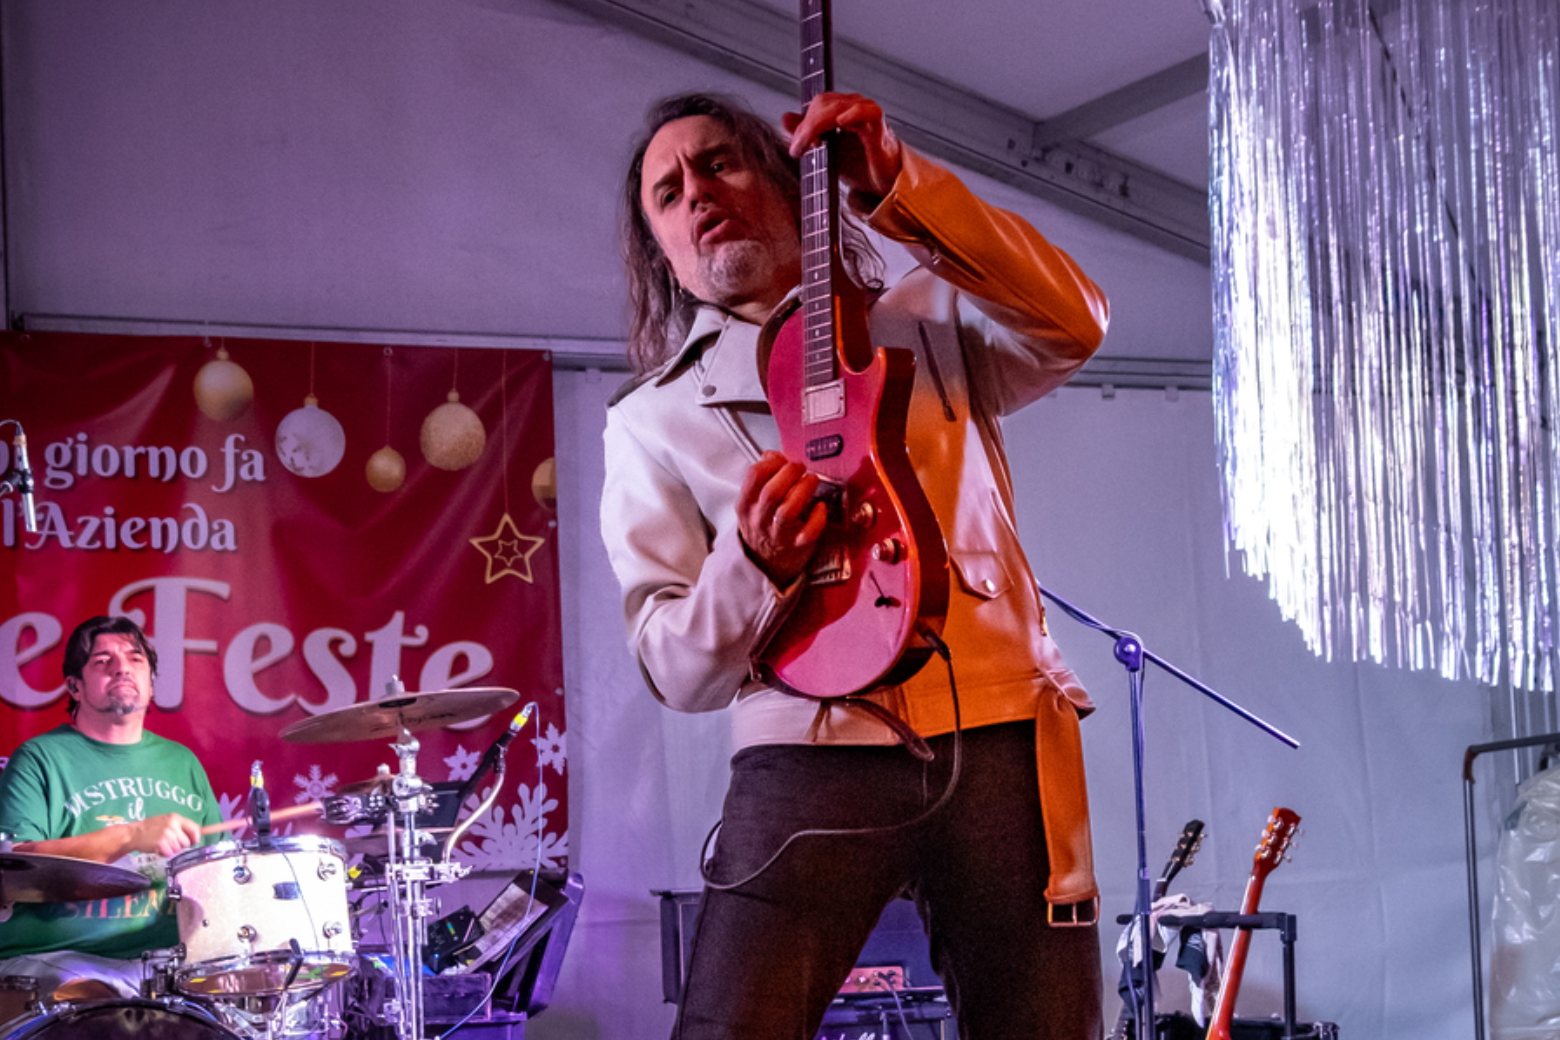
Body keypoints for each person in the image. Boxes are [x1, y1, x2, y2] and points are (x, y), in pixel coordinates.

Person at [601, 90, 1110, 1040]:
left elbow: (1075, 323)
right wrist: (752, 563)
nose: (697, 193)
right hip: (807, 748)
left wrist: (901, 186)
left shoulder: (929, 317)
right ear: (663, 252)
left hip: (997, 726)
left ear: (792, 182)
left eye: (719, 162)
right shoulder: (649, 420)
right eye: (667, 193)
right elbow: (673, 667)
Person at [0, 615, 220, 1001]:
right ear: (75, 686)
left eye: (135, 659)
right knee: (97, 1003)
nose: (122, 668)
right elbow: (15, 865)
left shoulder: (182, 762)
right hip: (58, 957)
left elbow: (217, 873)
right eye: (102, 661)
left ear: (151, 682)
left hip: (166, 962)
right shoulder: (38, 759)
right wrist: (131, 835)